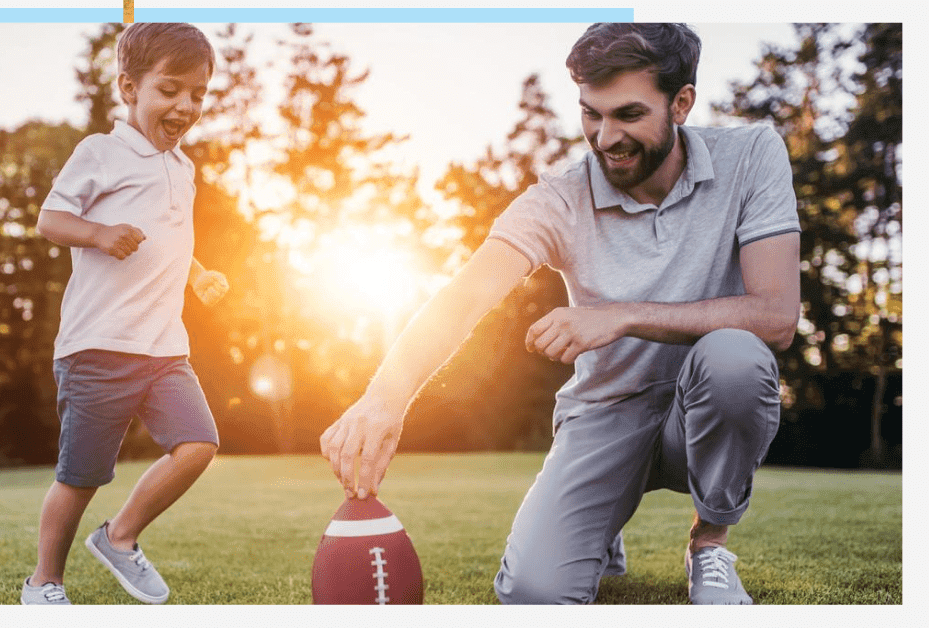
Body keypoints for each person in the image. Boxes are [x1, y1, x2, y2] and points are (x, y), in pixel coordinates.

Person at [319, 22, 800, 605]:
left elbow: (776, 315)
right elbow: (465, 295)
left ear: (681, 103)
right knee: (535, 594)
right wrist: (384, 399)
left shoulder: (752, 156)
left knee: (735, 358)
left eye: (628, 114)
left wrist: (621, 315)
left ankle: (709, 544)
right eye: (591, 114)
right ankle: (601, 518)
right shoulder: (560, 197)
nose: (606, 137)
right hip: (606, 414)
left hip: (705, 410)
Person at [21, 22, 228, 605]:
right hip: (98, 346)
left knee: (199, 444)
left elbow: (169, 238)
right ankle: (43, 584)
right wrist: (99, 232)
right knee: (80, 477)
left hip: (164, 347)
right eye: (170, 89)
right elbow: (49, 220)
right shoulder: (101, 152)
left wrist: (199, 275)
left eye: (198, 94)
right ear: (129, 88)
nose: (185, 105)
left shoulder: (183, 168)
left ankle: (120, 536)